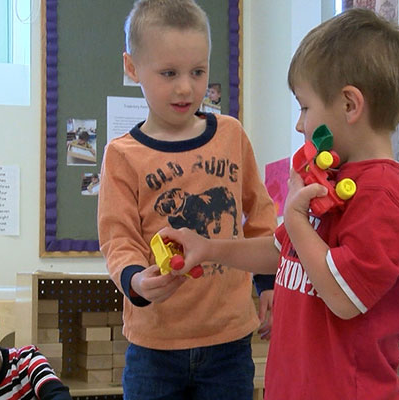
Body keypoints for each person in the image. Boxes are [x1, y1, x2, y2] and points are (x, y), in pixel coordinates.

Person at [160, 8, 399, 400]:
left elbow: (342, 296)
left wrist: (296, 219)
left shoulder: (382, 197)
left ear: (350, 105)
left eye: (305, 107)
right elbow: (281, 251)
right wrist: (209, 248)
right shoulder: (335, 178)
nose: (300, 125)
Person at [97, 0, 277, 399]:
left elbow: (260, 211)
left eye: (198, 72)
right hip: (154, 348)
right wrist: (136, 280)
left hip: (228, 341)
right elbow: (118, 238)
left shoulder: (231, 134)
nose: (185, 87)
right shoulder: (122, 155)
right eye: (168, 73)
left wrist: (268, 282)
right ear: (132, 68)